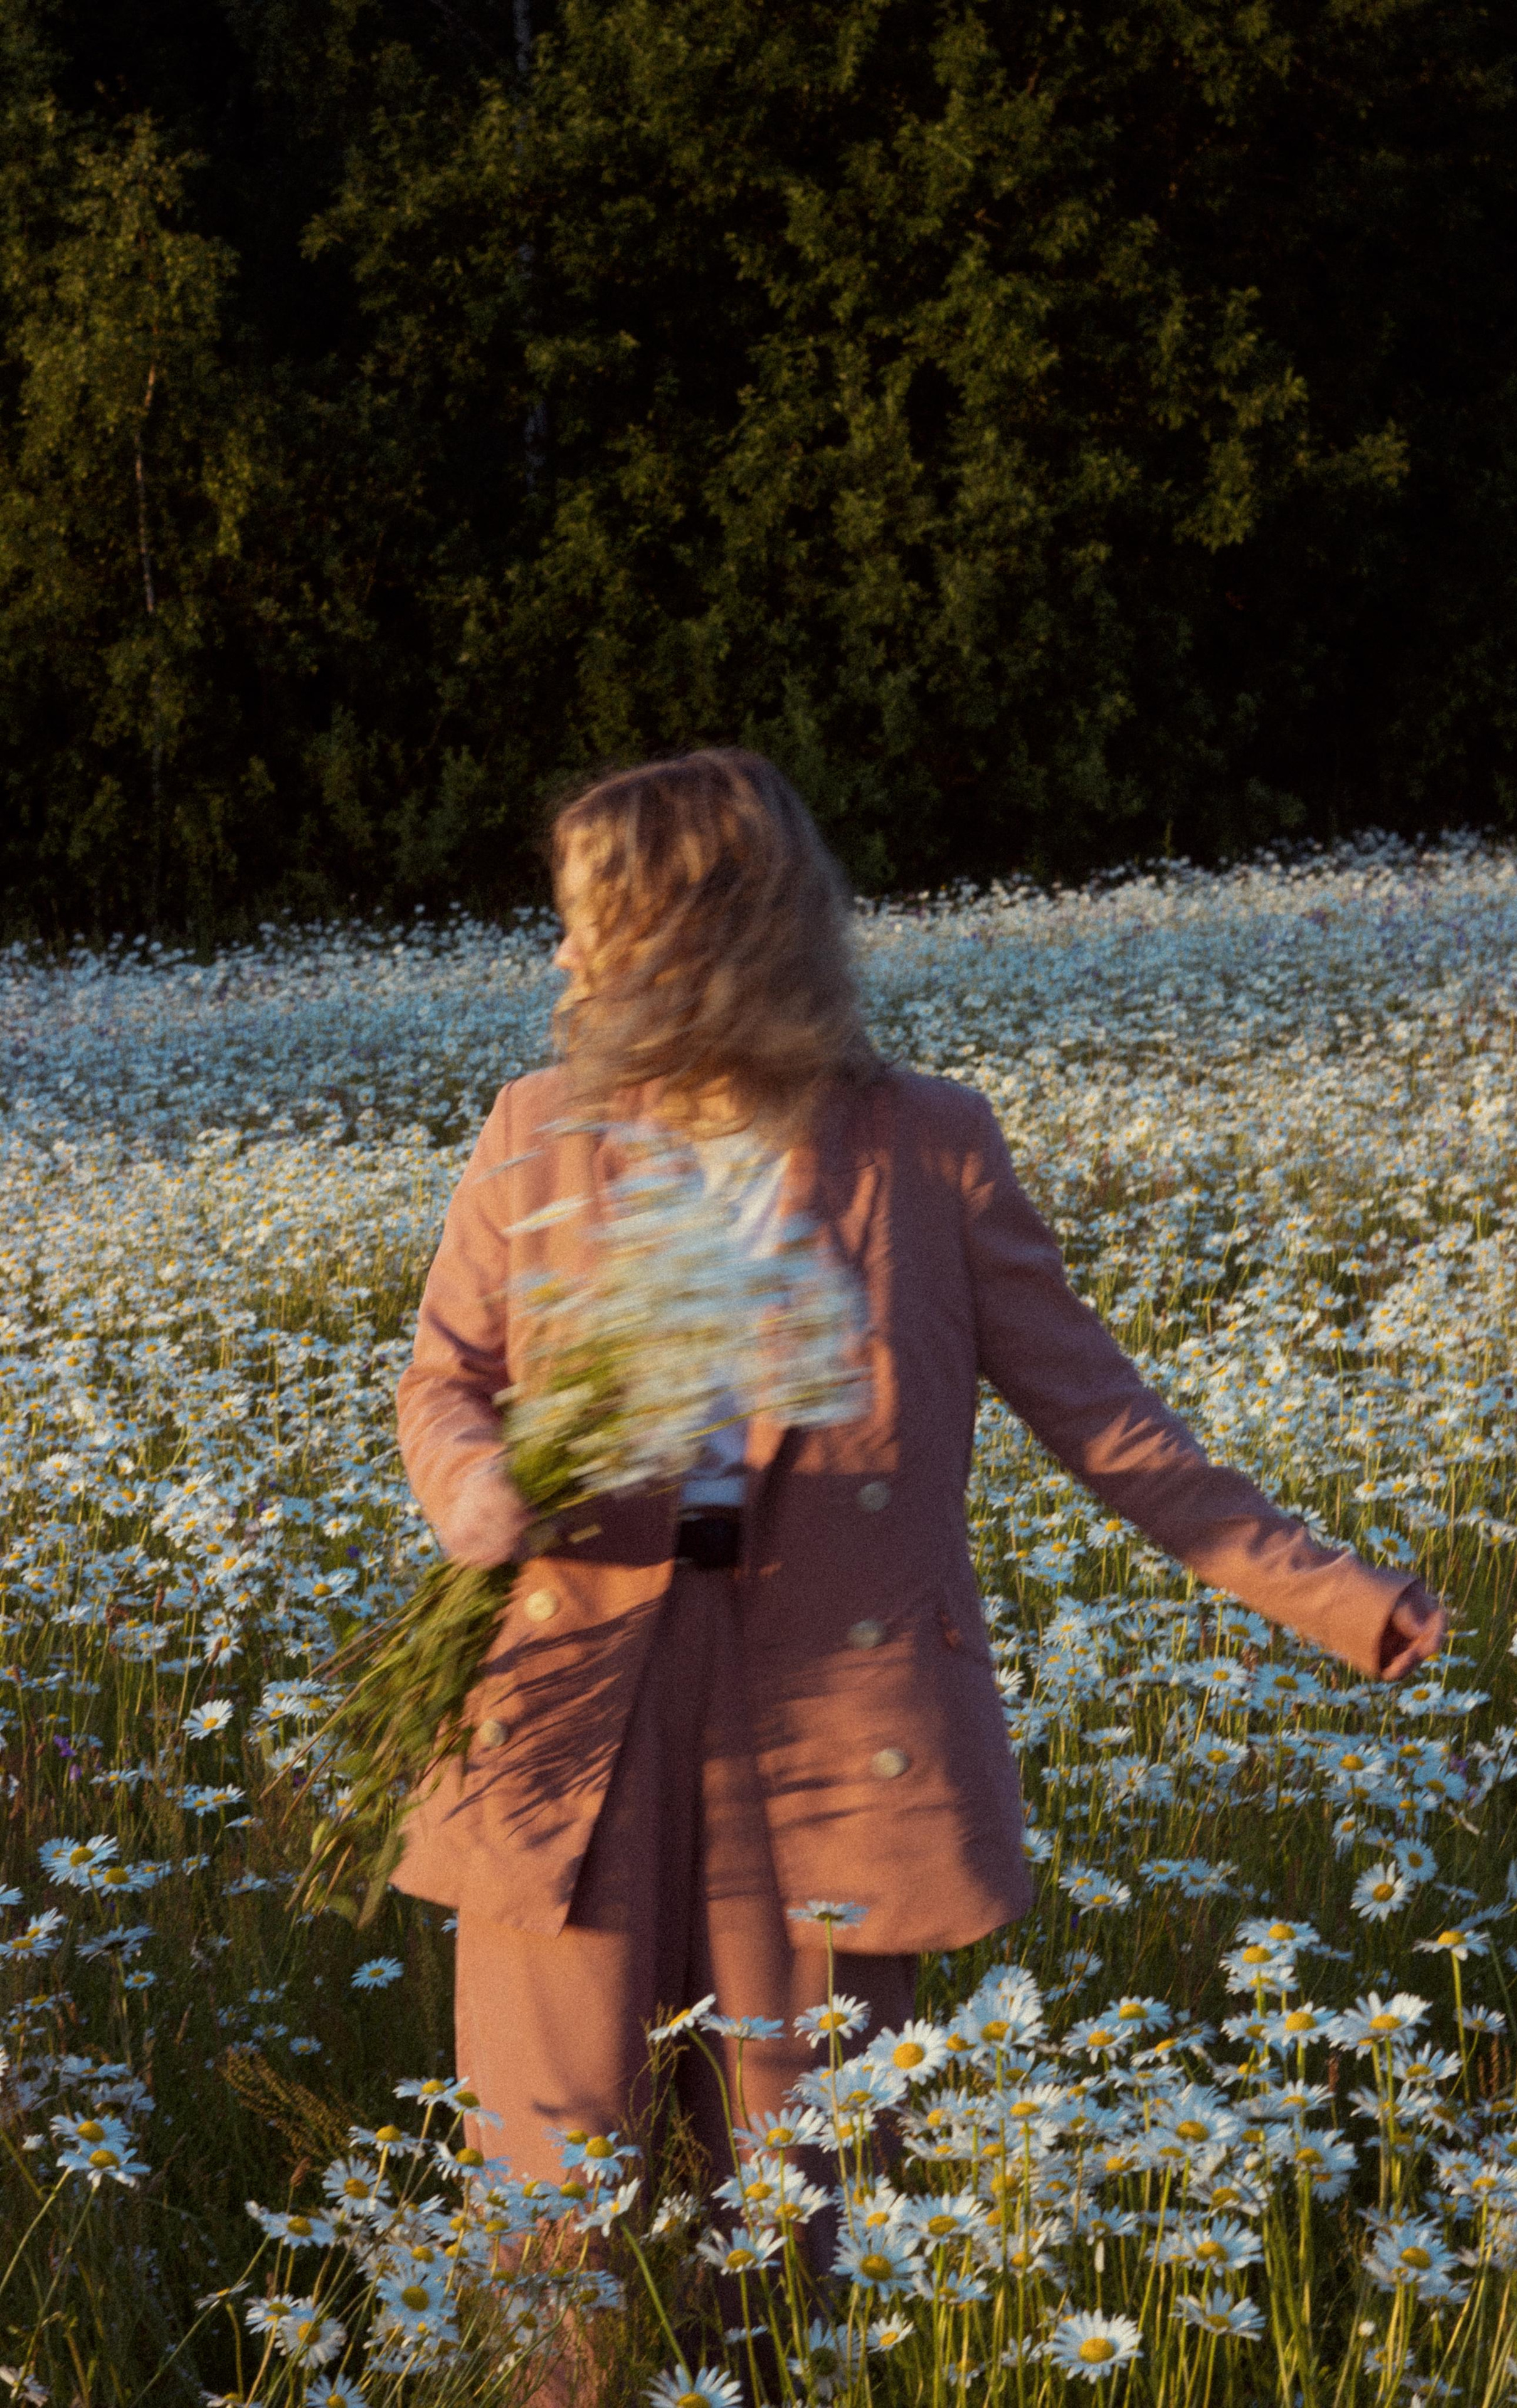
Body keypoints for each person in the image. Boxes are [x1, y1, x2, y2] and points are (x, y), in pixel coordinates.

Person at [392, 746, 1444, 2275]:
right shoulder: (534, 1127)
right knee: (559, 2198)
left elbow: (1106, 1422)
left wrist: (1336, 1594)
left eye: (586, 917)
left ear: (705, 928)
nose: (557, 952)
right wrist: (473, 1488)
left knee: (793, 2198)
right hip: (573, 1701)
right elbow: (445, 1378)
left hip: (830, 1707)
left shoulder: (927, 1144)